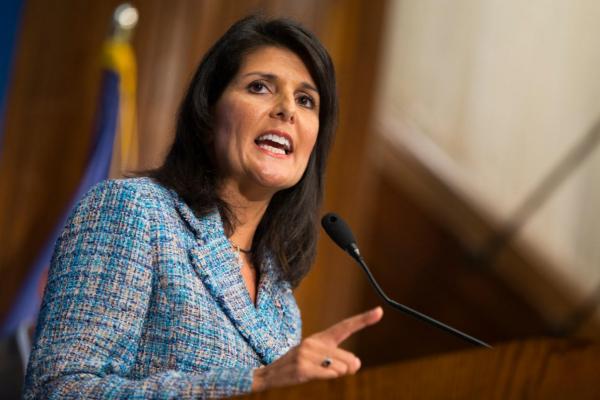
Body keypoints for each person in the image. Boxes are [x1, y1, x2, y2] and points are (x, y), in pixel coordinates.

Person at [23, 15, 383, 399]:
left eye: (306, 100)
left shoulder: (280, 299)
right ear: (208, 115)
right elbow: (59, 389)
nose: (286, 110)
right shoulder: (133, 211)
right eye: (260, 87)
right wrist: (256, 383)